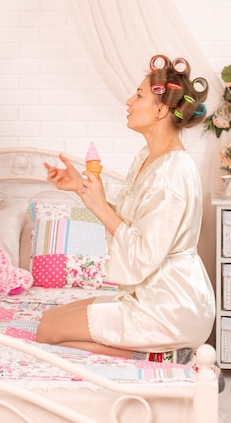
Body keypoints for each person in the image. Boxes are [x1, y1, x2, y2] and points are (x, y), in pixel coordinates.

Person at [36, 54, 216, 365]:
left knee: (47, 331)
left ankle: (166, 356)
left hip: (170, 306)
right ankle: (157, 351)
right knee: (51, 317)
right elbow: (133, 223)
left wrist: (96, 203)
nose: (128, 100)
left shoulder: (175, 171)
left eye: (139, 95)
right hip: (148, 294)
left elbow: (144, 252)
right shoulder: (148, 157)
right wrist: (81, 187)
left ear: (161, 109)